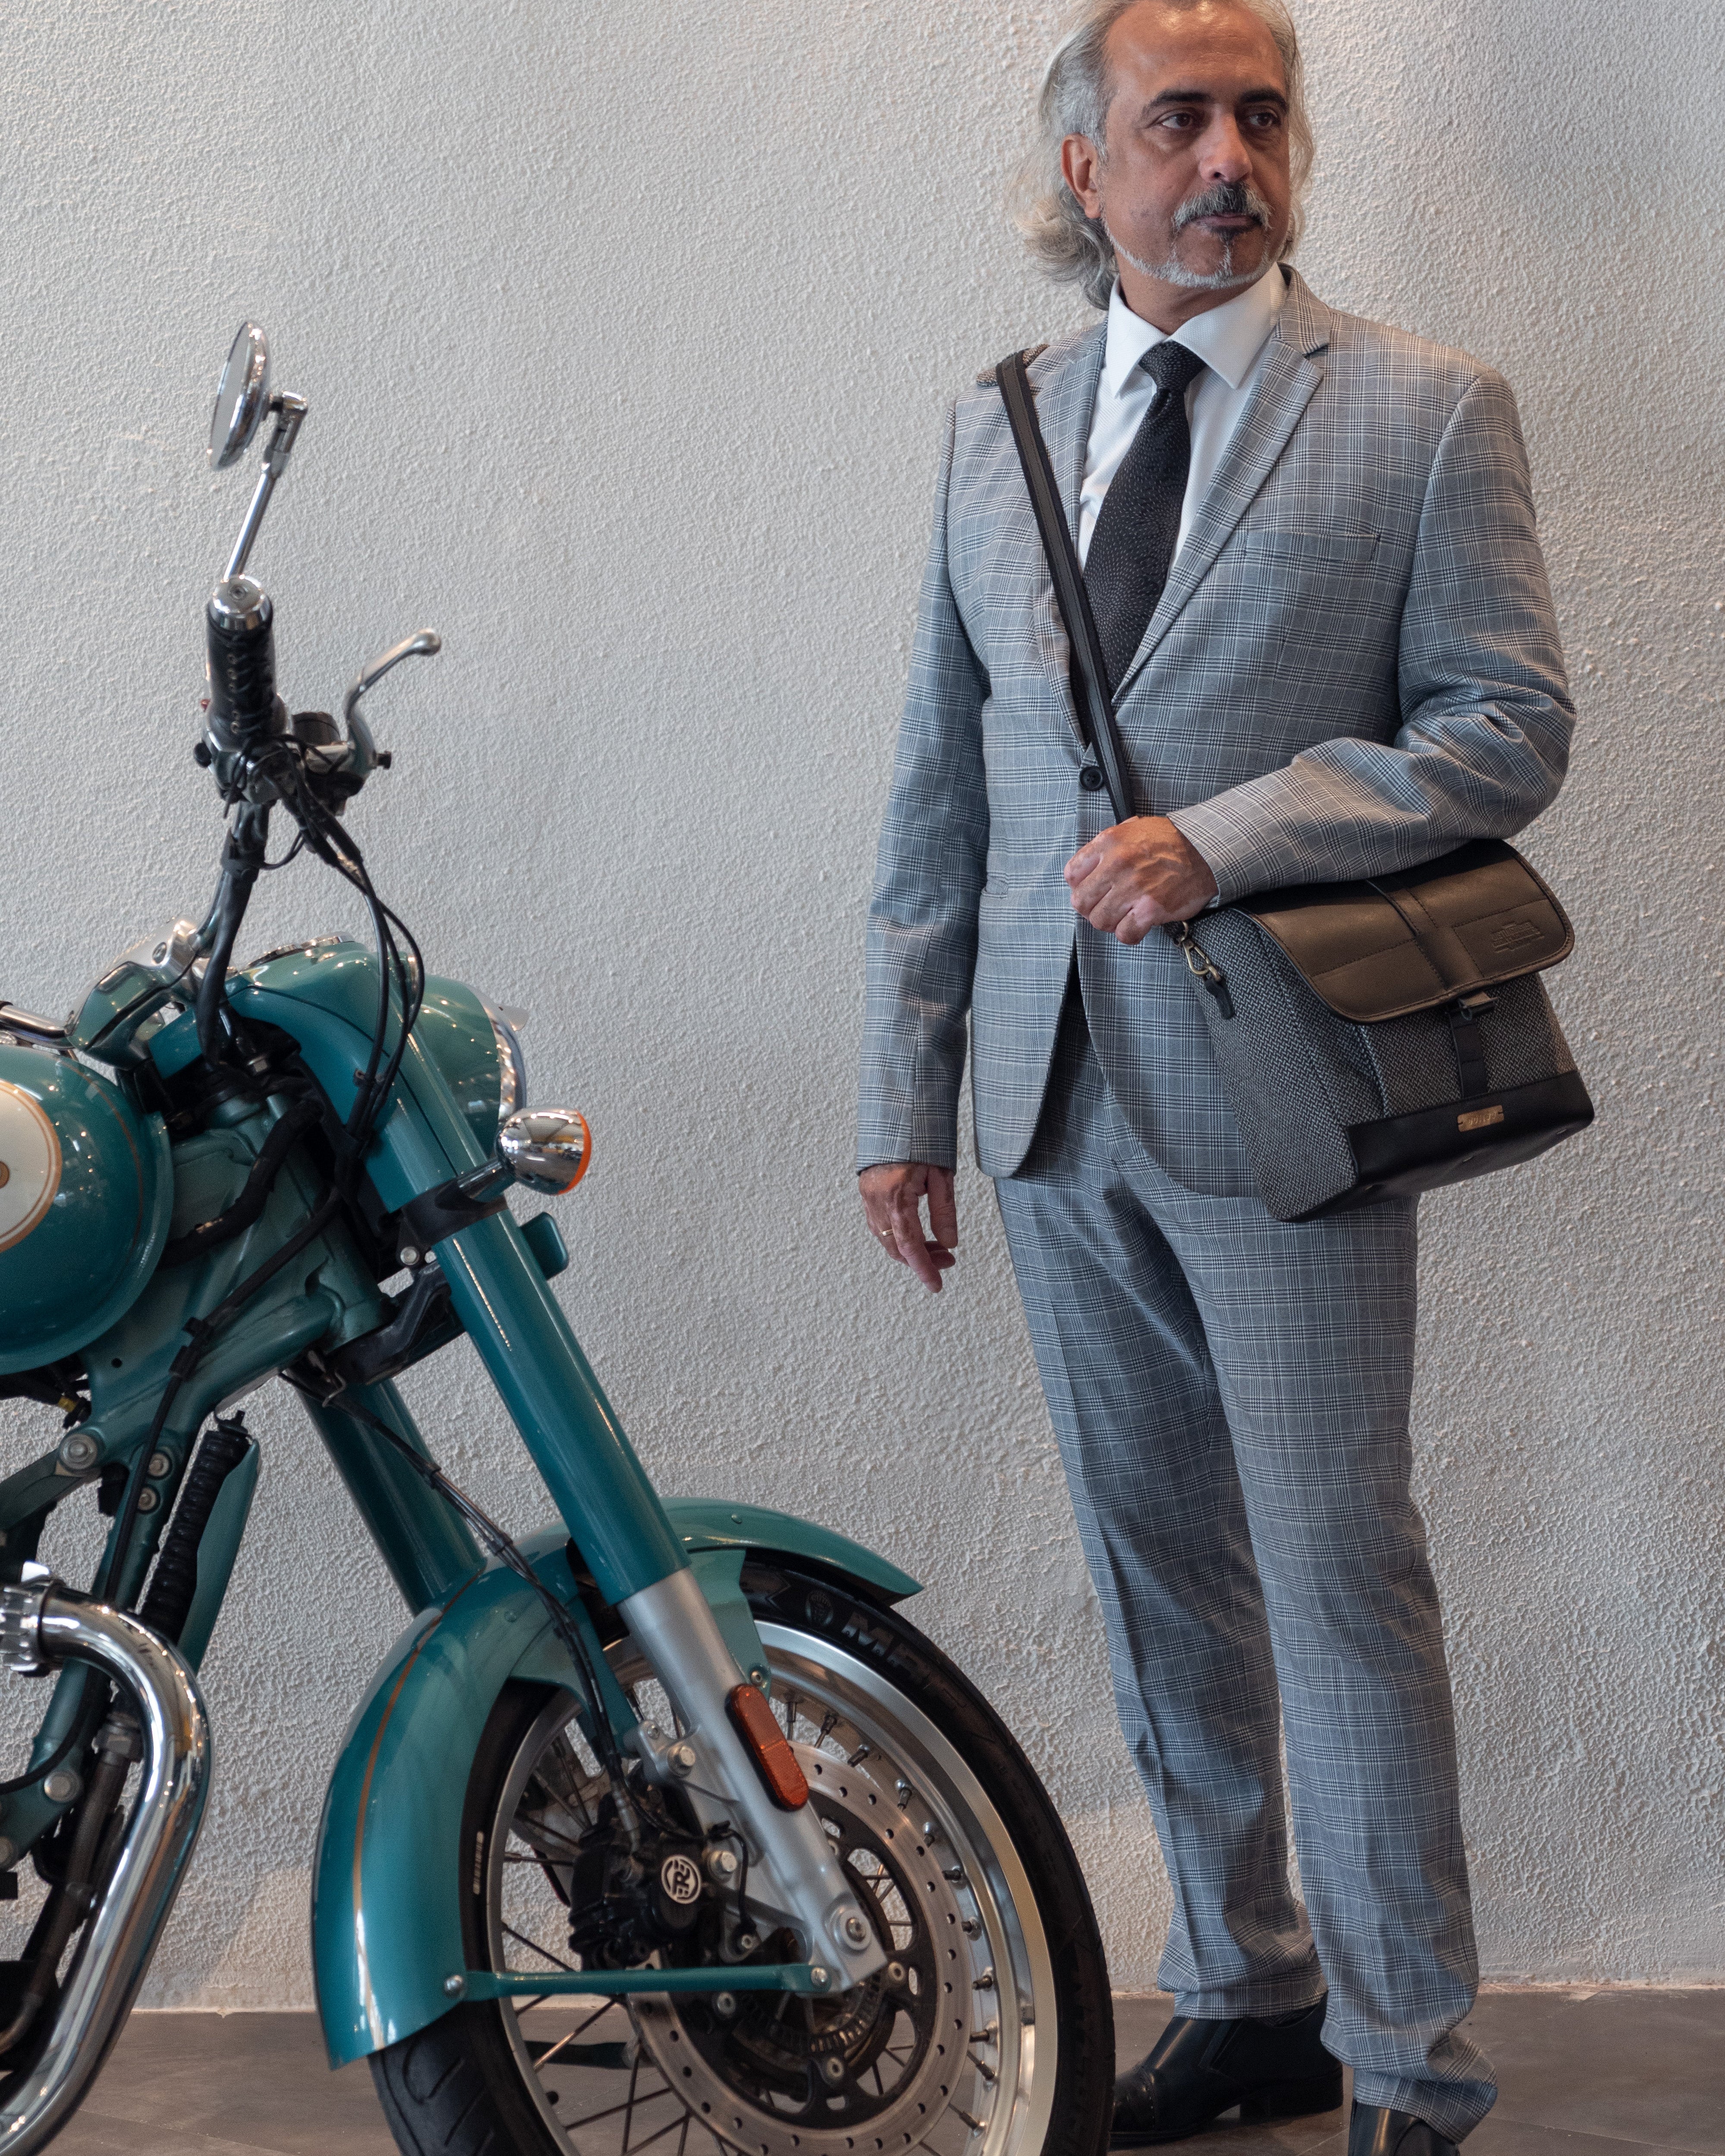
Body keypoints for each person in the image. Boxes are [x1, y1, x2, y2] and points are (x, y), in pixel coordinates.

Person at [855, 2, 1574, 2151]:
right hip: (1055, 1103)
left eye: (1262, 114)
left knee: (1339, 1576)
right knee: (1154, 1565)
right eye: (1177, 118)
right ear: (1085, 166)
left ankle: (1407, 2063)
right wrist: (907, 1094)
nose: (1227, 155)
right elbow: (937, 795)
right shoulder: (995, 430)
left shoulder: (1425, 417)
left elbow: (1499, 727)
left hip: (1297, 1108)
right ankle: (1248, 1989)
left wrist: (1227, 835)